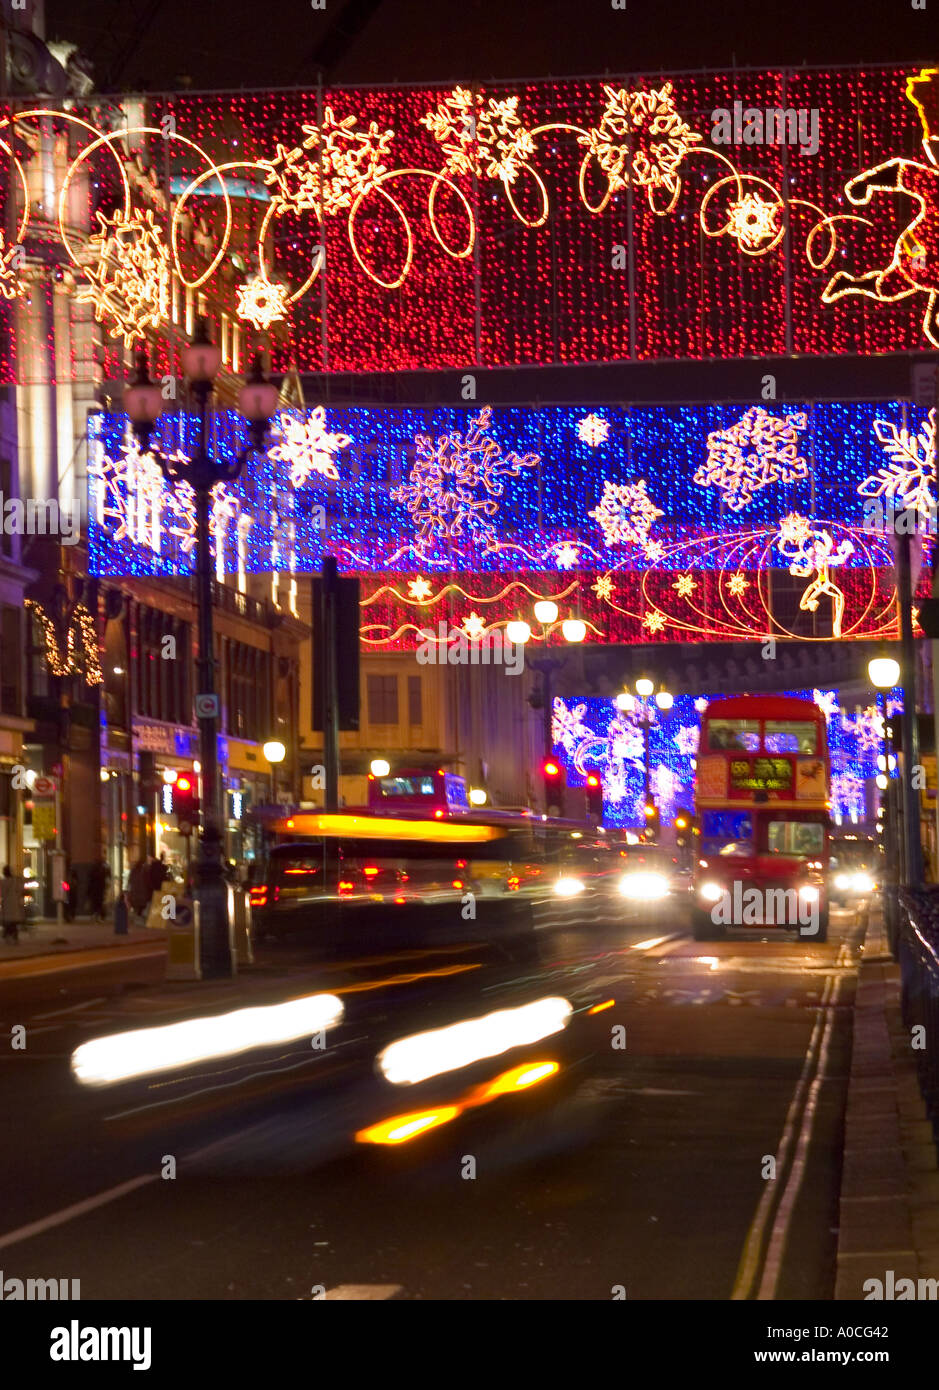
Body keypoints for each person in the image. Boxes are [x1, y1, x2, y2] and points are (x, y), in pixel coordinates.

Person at [1, 865, 25, 944]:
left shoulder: (3, 882)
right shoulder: (15, 881)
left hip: (7, 904)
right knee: (13, 922)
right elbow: (21, 889)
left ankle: (8, 937)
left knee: (7, 922)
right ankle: (14, 938)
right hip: (15, 904)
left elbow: (2, 893)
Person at [127, 858, 151, 924]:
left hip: (135, 892)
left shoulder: (133, 871)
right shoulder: (145, 871)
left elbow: (130, 881)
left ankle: (138, 917)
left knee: (137, 905)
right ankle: (139, 917)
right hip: (141, 892)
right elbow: (147, 882)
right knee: (141, 905)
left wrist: (129, 891)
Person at [87, 856, 110, 921]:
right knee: (99, 903)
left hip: (95, 890)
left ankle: (96, 915)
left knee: (96, 903)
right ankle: (99, 915)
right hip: (99, 889)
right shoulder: (102, 869)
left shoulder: (94, 870)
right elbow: (107, 877)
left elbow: (90, 881)